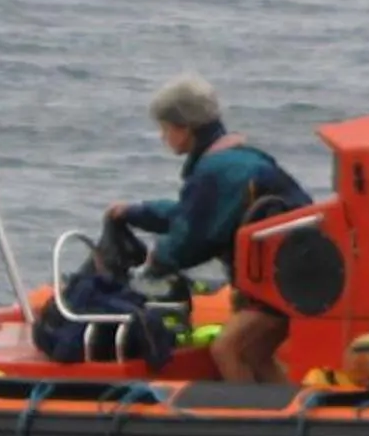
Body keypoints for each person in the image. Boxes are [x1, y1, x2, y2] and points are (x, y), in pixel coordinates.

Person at [108, 75, 312, 383]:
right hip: (293, 273)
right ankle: (288, 414)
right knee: (255, 354)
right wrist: (136, 213)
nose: (163, 137)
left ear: (184, 128)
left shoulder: (217, 171)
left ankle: (257, 423)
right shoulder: (235, 159)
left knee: (229, 350)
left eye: (164, 128)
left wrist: (156, 262)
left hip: (278, 281)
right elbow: (192, 215)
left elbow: (191, 239)